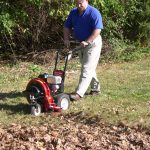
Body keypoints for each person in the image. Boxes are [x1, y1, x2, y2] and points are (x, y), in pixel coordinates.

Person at [63, 0, 103, 100]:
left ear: (86, 1)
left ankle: (79, 93)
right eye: (77, 3)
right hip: (81, 43)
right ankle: (95, 89)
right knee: (88, 67)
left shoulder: (94, 12)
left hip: (92, 43)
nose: (79, 5)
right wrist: (66, 38)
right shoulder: (73, 12)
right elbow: (66, 26)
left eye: (81, 3)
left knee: (86, 68)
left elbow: (98, 29)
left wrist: (88, 41)